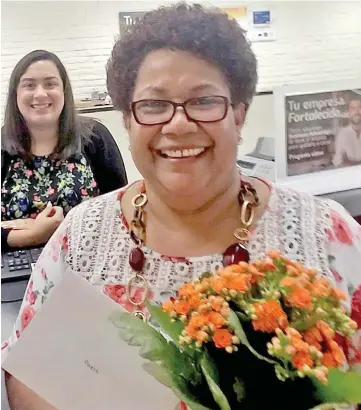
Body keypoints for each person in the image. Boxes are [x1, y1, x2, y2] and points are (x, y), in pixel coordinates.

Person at [2, 5, 361, 409]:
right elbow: (28, 374)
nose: (177, 125)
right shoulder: (80, 238)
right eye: (154, 105)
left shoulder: (328, 238)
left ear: (239, 115)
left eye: (204, 101)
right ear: (128, 121)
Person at [1, 50, 128, 250]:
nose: (40, 94)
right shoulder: (2, 146)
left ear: (64, 91)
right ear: (15, 93)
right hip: (15, 269)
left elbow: (120, 209)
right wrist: (33, 235)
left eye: (50, 84)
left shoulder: (94, 137)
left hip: (88, 261)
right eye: (29, 85)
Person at [332, 92, 361, 167]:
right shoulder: (342, 134)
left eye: (360, 107)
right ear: (348, 112)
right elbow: (338, 162)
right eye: (353, 108)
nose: (357, 112)